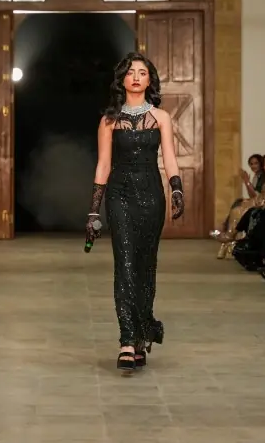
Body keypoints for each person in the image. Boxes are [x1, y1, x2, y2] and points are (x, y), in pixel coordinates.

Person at [85, 52, 184, 375]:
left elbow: (170, 158)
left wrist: (177, 189)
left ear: (149, 79)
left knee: (145, 267)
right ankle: (127, 340)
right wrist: (93, 211)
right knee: (125, 264)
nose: (137, 77)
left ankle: (142, 334)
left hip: (152, 195)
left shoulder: (161, 117)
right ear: (122, 80)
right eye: (131, 72)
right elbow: (103, 165)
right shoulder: (109, 120)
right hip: (120, 195)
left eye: (142, 72)